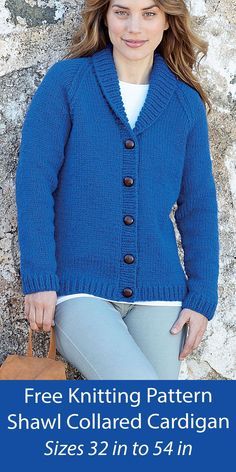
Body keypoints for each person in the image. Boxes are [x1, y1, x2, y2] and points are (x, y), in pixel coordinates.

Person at [15, 0, 220, 380]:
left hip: (161, 294)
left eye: (149, 13)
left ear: (167, 21)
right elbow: (34, 182)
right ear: (105, 17)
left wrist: (202, 298)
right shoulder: (68, 82)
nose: (134, 27)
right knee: (139, 395)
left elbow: (199, 207)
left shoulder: (185, 104)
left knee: (157, 429)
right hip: (79, 291)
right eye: (122, 12)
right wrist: (39, 278)